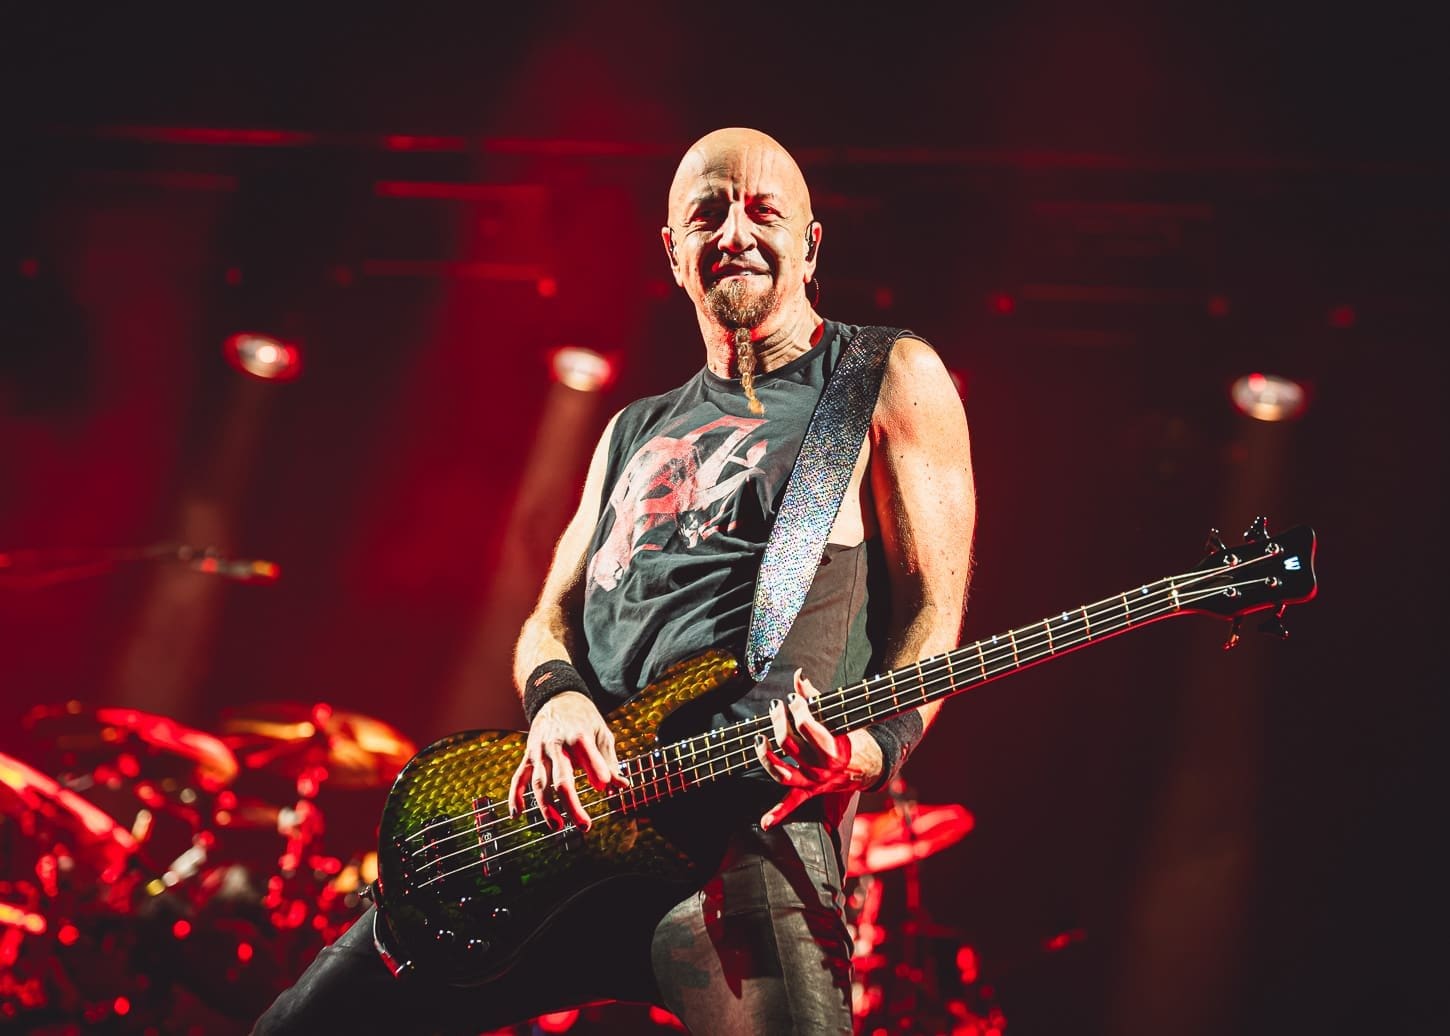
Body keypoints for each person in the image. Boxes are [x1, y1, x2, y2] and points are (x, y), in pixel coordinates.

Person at [254, 127, 974, 1035]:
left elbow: (933, 612)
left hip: (744, 837)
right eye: (707, 212)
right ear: (673, 251)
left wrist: (872, 750)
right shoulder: (633, 429)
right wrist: (555, 699)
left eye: (764, 210)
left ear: (811, 242)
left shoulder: (880, 375)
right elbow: (548, 618)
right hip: (566, 838)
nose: (737, 232)